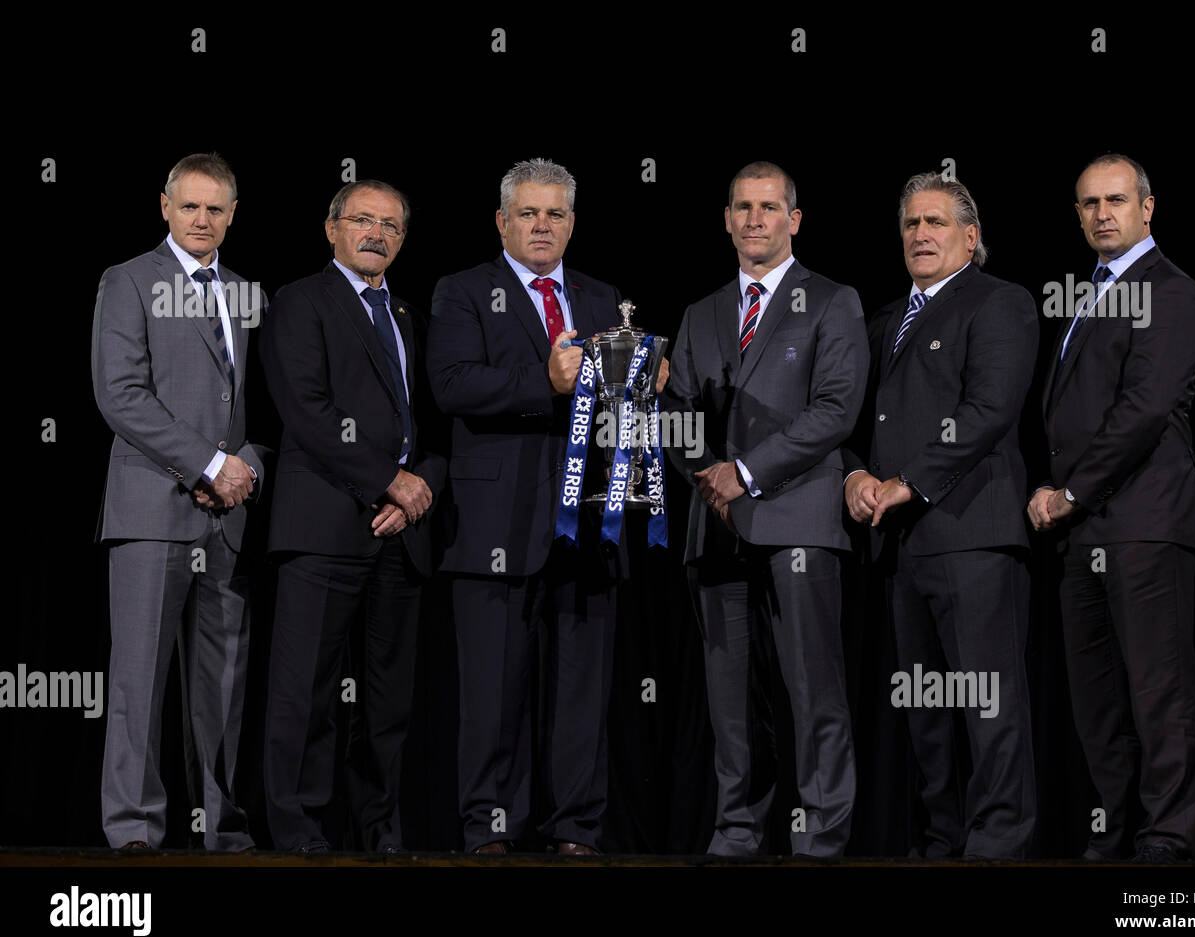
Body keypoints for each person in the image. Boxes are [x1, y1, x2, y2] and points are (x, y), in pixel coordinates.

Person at [429, 158, 658, 855]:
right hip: (494, 527)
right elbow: (453, 385)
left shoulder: (603, 299)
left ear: (572, 223)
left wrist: (648, 384)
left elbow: (623, 415)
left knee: (582, 693)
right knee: (494, 697)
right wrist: (544, 380)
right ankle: (491, 830)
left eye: (555, 214)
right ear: (502, 221)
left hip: (589, 524)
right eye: (528, 213)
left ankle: (576, 832)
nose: (541, 225)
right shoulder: (463, 291)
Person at [661, 161, 866, 857]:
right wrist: (705, 472)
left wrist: (744, 472)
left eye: (770, 207)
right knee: (730, 703)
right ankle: (738, 834)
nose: (755, 219)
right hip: (715, 530)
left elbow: (836, 410)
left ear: (794, 220)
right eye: (743, 207)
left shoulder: (834, 300)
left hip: (801, 522)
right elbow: (678, 420)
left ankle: (823, 838)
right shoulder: (700, 313)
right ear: (726, 219)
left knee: (814, 693)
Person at [843, 173, 1039, 859]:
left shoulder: (1000, 303)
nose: (920, 235)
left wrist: (908, 483)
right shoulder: (882, 320)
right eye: (910, 224)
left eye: (936, 222)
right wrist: (858, 475)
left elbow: (988, 411)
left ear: (971, 236)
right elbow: (851, 418)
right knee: (925, 713)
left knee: (988, 703)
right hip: (901, 548)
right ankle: (941, 843)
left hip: (972, 535)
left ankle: (997, 845)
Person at [1029, 154, 1195, 863]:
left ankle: (1167, 845)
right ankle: (1122, 835)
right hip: (1087, 533)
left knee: (1158, 692)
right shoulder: (1090, 292)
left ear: (1148, 208)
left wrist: (1068, 493)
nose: (1103, 213)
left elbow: (1143, 410)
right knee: (1099, 700)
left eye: (1116, 200)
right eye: (1089, 203)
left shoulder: (1171, 290)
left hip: (1145, 521)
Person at [261, 180, 443, 853]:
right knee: (302, 693)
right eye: (362, 219)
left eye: (391, 224)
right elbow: (305, 410)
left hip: (401, 538)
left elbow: (432, 424)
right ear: (332, 228)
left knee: (388, 705)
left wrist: (419, 483)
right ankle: (299, 832)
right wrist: (387, 482)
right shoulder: (298, 301)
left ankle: (379, 833)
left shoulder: (408, 315)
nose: (376, 233)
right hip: (323, 529)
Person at [92, 153, 265, 850]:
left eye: (215, 208)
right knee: (138, 681)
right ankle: (134, 830)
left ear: (230, 215)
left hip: (227, 516)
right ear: (164, 207)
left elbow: (260, 404)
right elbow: (119, 393)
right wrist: (208, 462)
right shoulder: (128, 280)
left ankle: (223, 830)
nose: (202, 220)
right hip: (150, 509)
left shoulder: (247, 291)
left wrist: (243, 465)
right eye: (189, 206)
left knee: (221, 688)